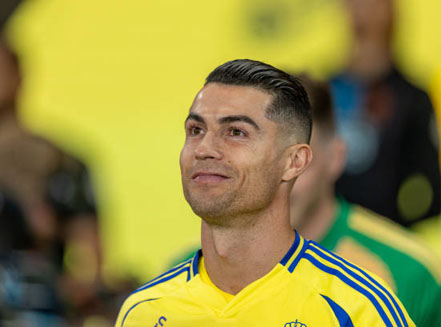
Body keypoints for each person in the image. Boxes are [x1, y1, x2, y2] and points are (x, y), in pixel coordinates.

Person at [115, 59, 414, 326]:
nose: (204, 149)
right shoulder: (144, 312)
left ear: (294, 162)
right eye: (195, 130)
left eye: (236, 132)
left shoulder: (358, 311)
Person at [291, 76, 441, 327]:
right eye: (266, 162)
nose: (282, 181)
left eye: (299, 161)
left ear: (335, 158)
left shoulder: (412, 271)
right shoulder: (217, 261)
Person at [330, 0, 441, 226]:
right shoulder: (324, 91)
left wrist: (397, 228)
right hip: (327, 238)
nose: (361, 7)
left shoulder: (412, 97)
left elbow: (431, 188)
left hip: (385, 237)